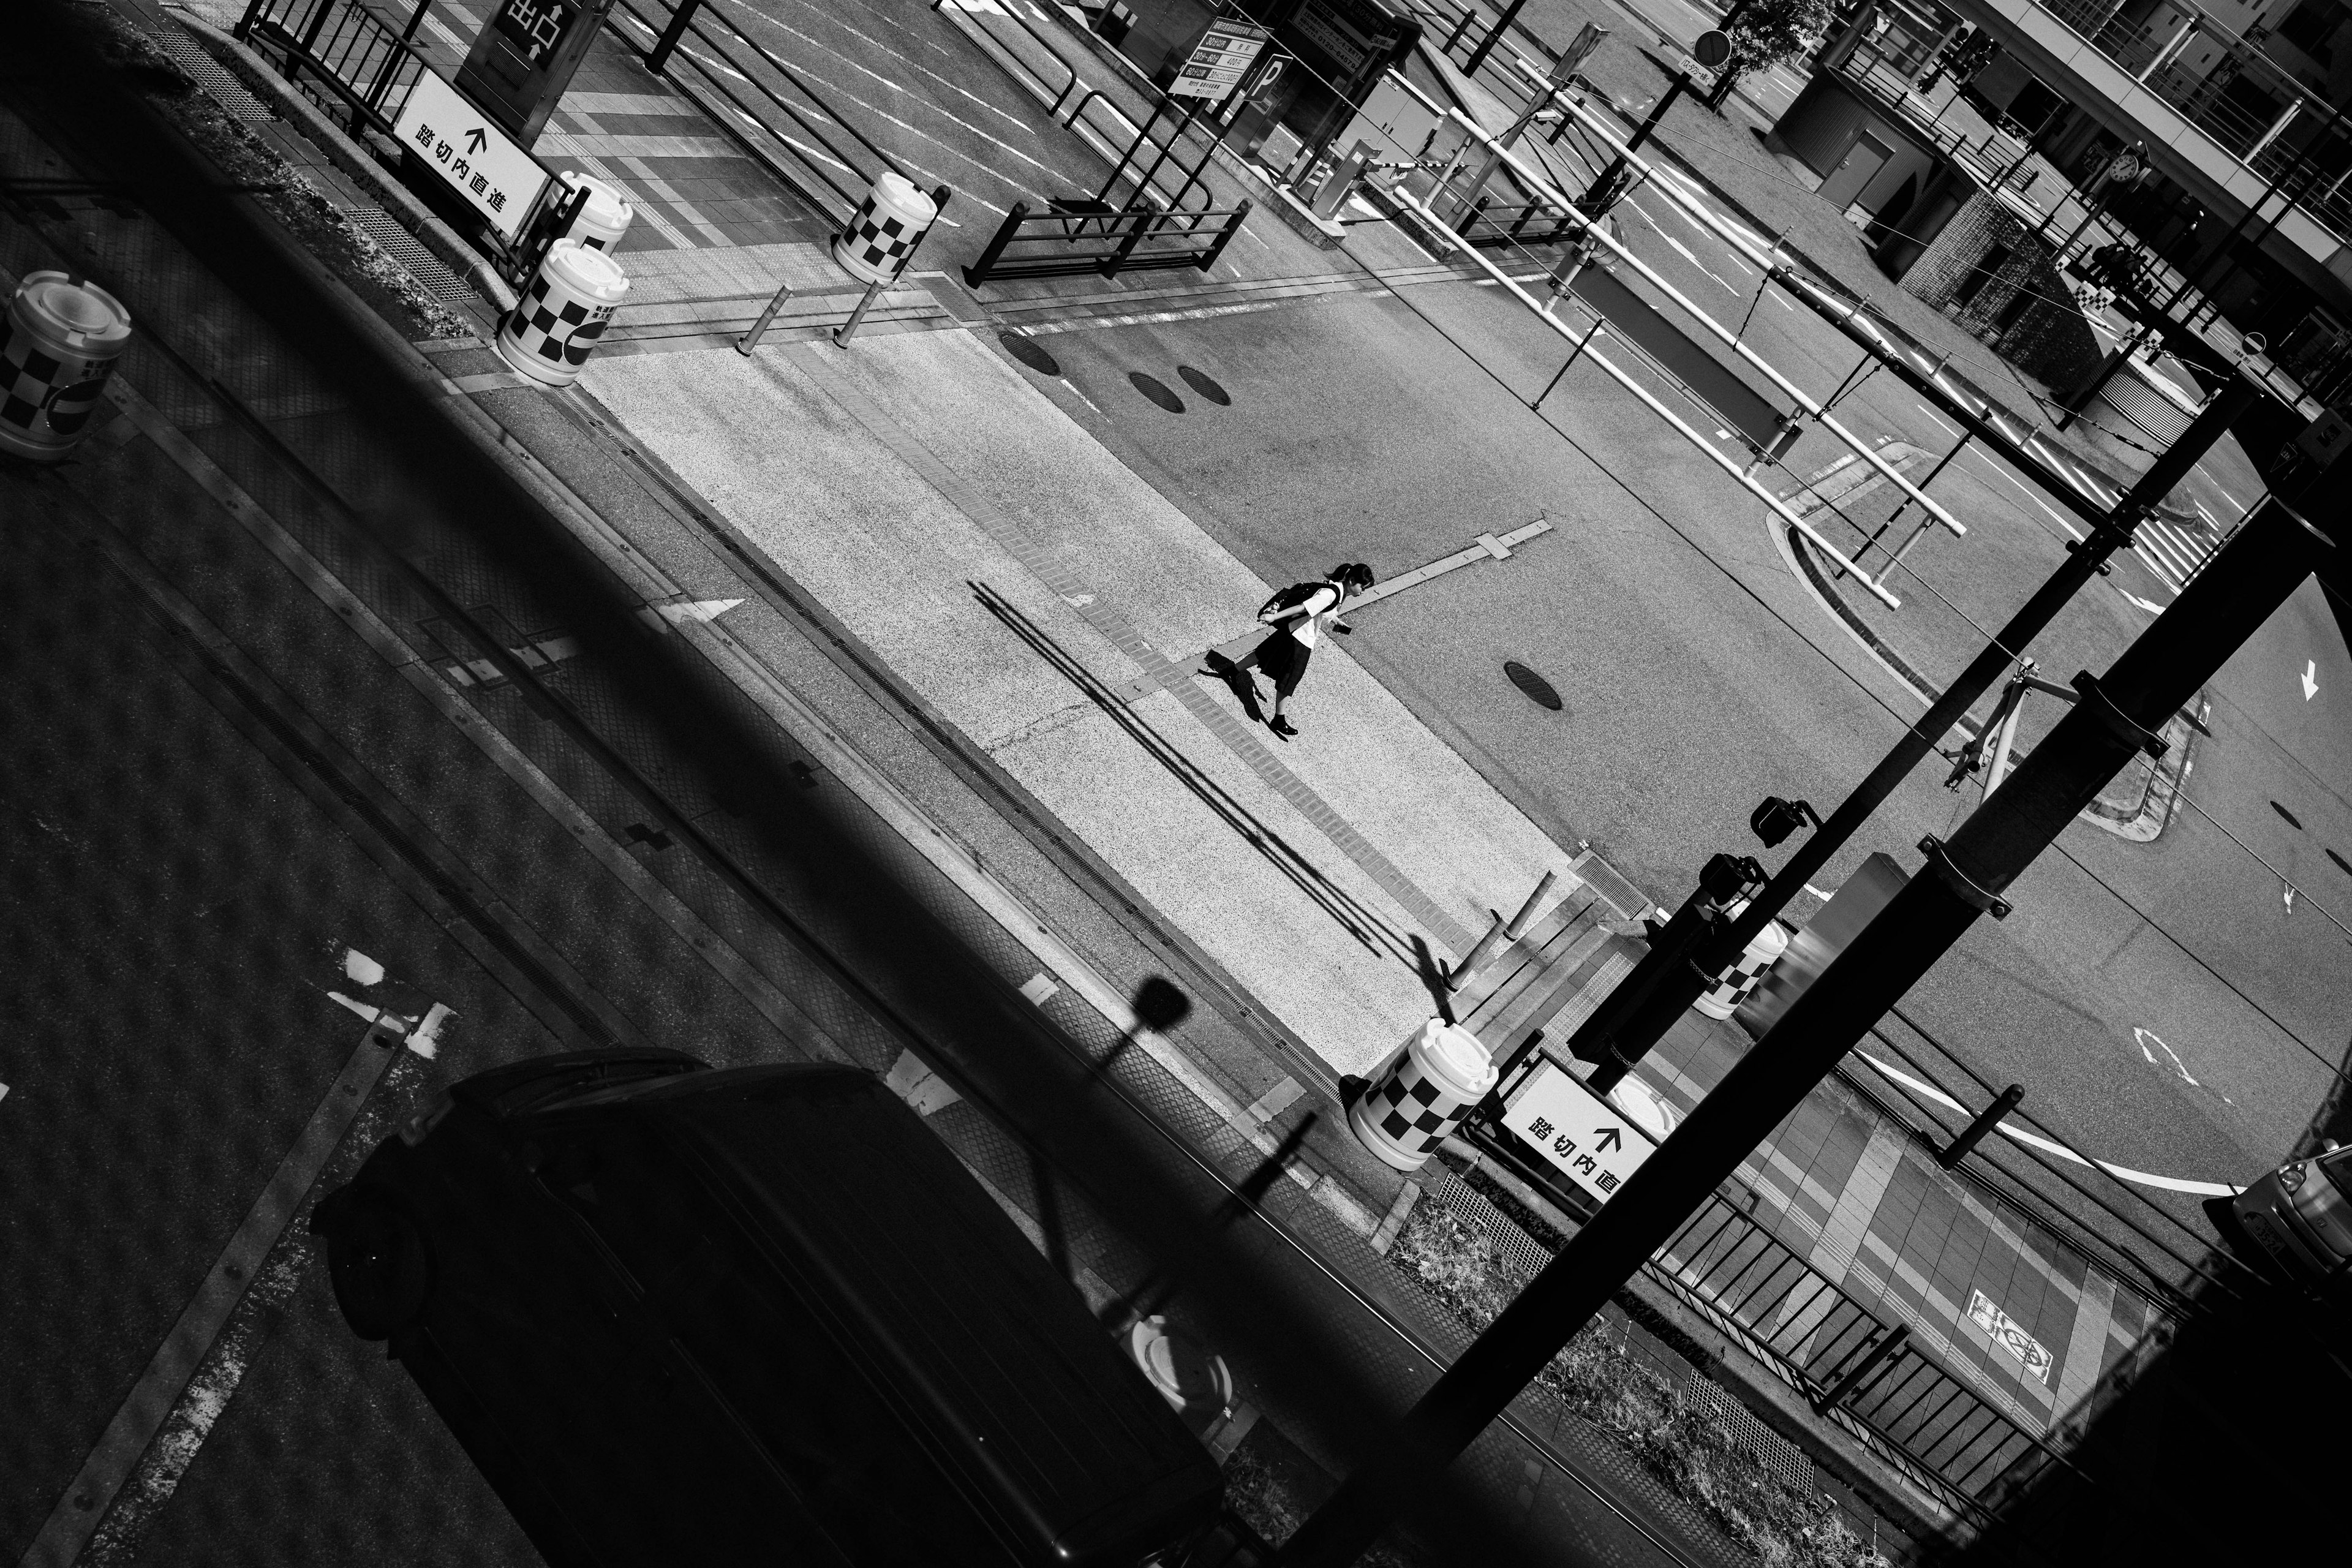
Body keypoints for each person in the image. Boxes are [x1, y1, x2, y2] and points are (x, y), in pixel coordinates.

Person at [1215, 563, 1375, 737]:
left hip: (1295, 630)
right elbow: (1303, 608)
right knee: (1290, 677)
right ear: (1352, 580)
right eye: (1362, 587)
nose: (1362, 592)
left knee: (1265, 653)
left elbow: (1319, 609)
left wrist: (1335, 620)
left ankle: (1231, 671)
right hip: (1301, 638)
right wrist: (1274, 617)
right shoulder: (1331, 594)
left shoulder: (1337, 592)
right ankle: (1279, 719)